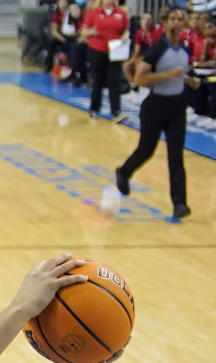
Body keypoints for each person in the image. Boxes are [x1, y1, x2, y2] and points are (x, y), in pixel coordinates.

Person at [115, 8, 200, 221]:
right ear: (166, 22)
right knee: (146, 150)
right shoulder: (157, 49)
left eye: (181, 19)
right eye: (173, 19)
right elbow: (139, 79)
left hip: (177, 106)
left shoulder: (185, 49)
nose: (177, 23)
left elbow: (181, 73)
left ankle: (180, 204)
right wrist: (167, 75)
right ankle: (124, 172)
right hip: (155, 106)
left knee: (176, 156)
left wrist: (190, 81)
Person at [80, 0, 129, 122]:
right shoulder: (93, 13)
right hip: (97, 50)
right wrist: (92, 32)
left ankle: (116, 111)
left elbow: (126, 29)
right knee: (97, 80)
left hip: (115, 50)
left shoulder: (121, 13)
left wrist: (125, 36)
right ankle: (94, 109)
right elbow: (83, 32)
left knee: (115, 81)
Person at [124, 11, 155, 86]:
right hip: (142, 57)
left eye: (148, 19)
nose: (146, 22)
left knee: (139, 67)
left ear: (152, 21)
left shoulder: (156, 32)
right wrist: (132, 60)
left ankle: (143, 88)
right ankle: (134, 87)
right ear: (141, 21)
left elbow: (156, 50)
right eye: (144, 19)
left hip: (153, 57)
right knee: (126, 66)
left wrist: (141, 59)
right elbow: (137, 50)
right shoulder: (139, 32)